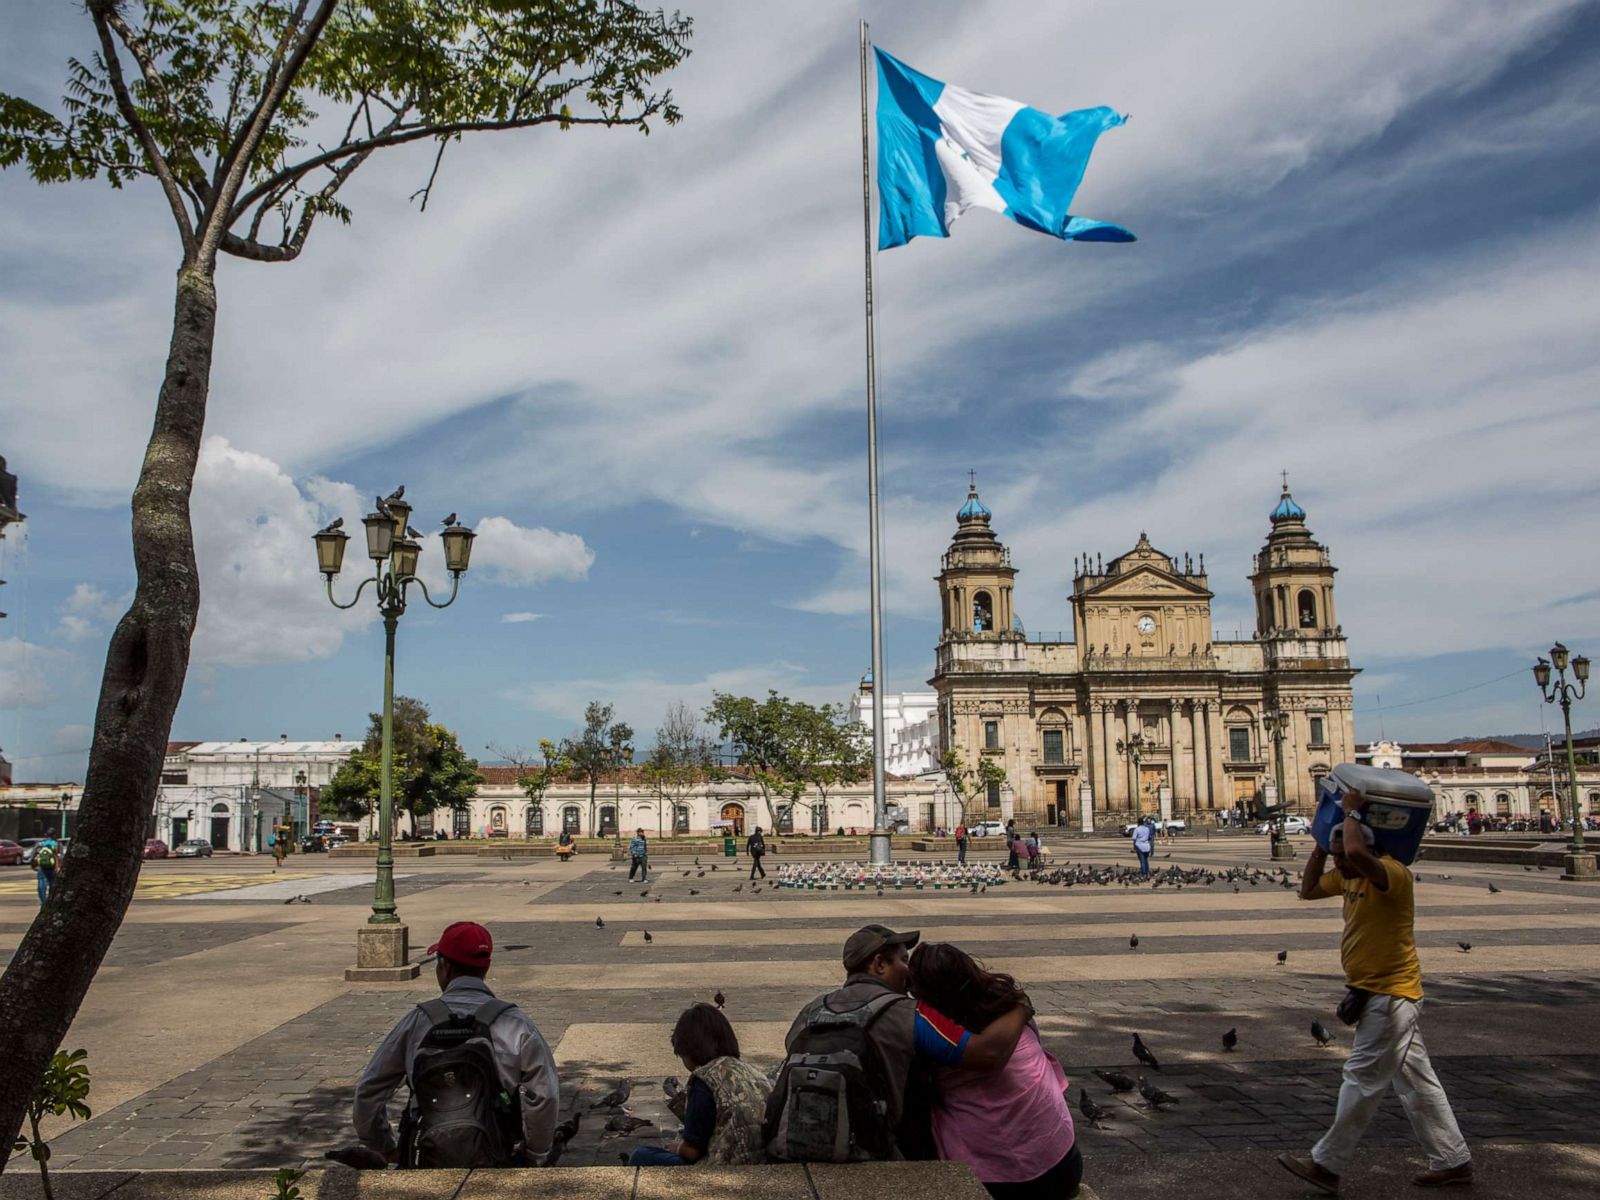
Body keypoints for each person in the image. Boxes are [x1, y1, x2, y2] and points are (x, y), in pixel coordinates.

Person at [1278, 789, 1471, 1195]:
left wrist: (1348, 814)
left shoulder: (1391, 873)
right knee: (1417, 1081)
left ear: (1366, 850)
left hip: (1392, 995)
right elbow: (1307, 890)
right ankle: (1452, 1160)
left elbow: (1358, 852)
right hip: (1374, 993)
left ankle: (1325, 1165)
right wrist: (1319, 845)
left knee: (1362, 1077)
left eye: (1344, 856)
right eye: (1336, 859)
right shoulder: (1348, 875)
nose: (1339, 863)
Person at [775, 925, 1030, 1160]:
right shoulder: (908, 1013)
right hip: (873, 1148)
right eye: (903, 960)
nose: (909, 971)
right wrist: (1019, 1006)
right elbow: (987, 1054)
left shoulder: (812, 1009)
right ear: (879, 965)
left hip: (800, 1143)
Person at [353, 921, 559, 1167]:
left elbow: (369, 1092)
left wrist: (385, 1147)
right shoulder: (514, 1022)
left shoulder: (418, 1021)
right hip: (497, 1153)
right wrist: (535, 1153)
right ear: (487, 966)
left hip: (426, 1155)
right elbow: (546, 1096)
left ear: (444, 965)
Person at [910, 943, 1079, 1199]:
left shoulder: (939, 1041)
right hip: (1061, 1164)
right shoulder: (1012, 1012)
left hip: (991, 1182)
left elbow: (986, 1056)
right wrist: (1021, 1005)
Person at [629, 1003, 771, 1166]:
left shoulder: (704, 1080)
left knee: (640, 1156)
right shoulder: (752, 1072)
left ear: (689, 1050)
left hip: (726, 1165)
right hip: (761, 1161)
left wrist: (677, 1148)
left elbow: (692, 1151)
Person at [33, 835, 59, 907]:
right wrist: (57, 867)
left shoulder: (40, 843)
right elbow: (58, 856)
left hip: (41, 868)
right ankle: (51, 900)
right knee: (53, 884)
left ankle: (43, 902)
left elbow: (34, 856)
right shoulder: (55, 843)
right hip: (52, 867)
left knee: (41, 886)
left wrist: (34, 866)